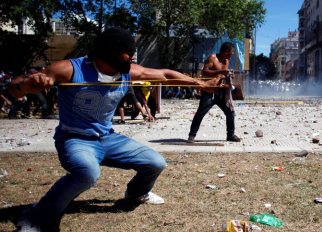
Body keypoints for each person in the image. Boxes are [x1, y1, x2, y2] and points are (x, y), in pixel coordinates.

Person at [8, 27, 221, 231]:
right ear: (110, 52)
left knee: (156, 162)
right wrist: (26, 85)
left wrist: (200, 84)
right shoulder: (70, 69)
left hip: (107, 138)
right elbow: (14, 88)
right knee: (87, 173)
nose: (132, 58)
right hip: (75, 139)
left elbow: (165, 75)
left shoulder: (129, 72)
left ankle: (136, 194)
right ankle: (34, 217)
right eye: (128, 53)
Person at [188, 42, 241, 143]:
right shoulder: (213, 57)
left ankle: (230, 134)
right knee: (201, 112)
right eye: (232, 51)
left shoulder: (227, 62)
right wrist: (219, 72)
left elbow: (224, 76)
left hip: (222, 92)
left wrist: (229, 76)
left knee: (230, 112)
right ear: (226, 51)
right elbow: (204, 72)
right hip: (210, 92)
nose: (233, 54)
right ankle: (192, 135)